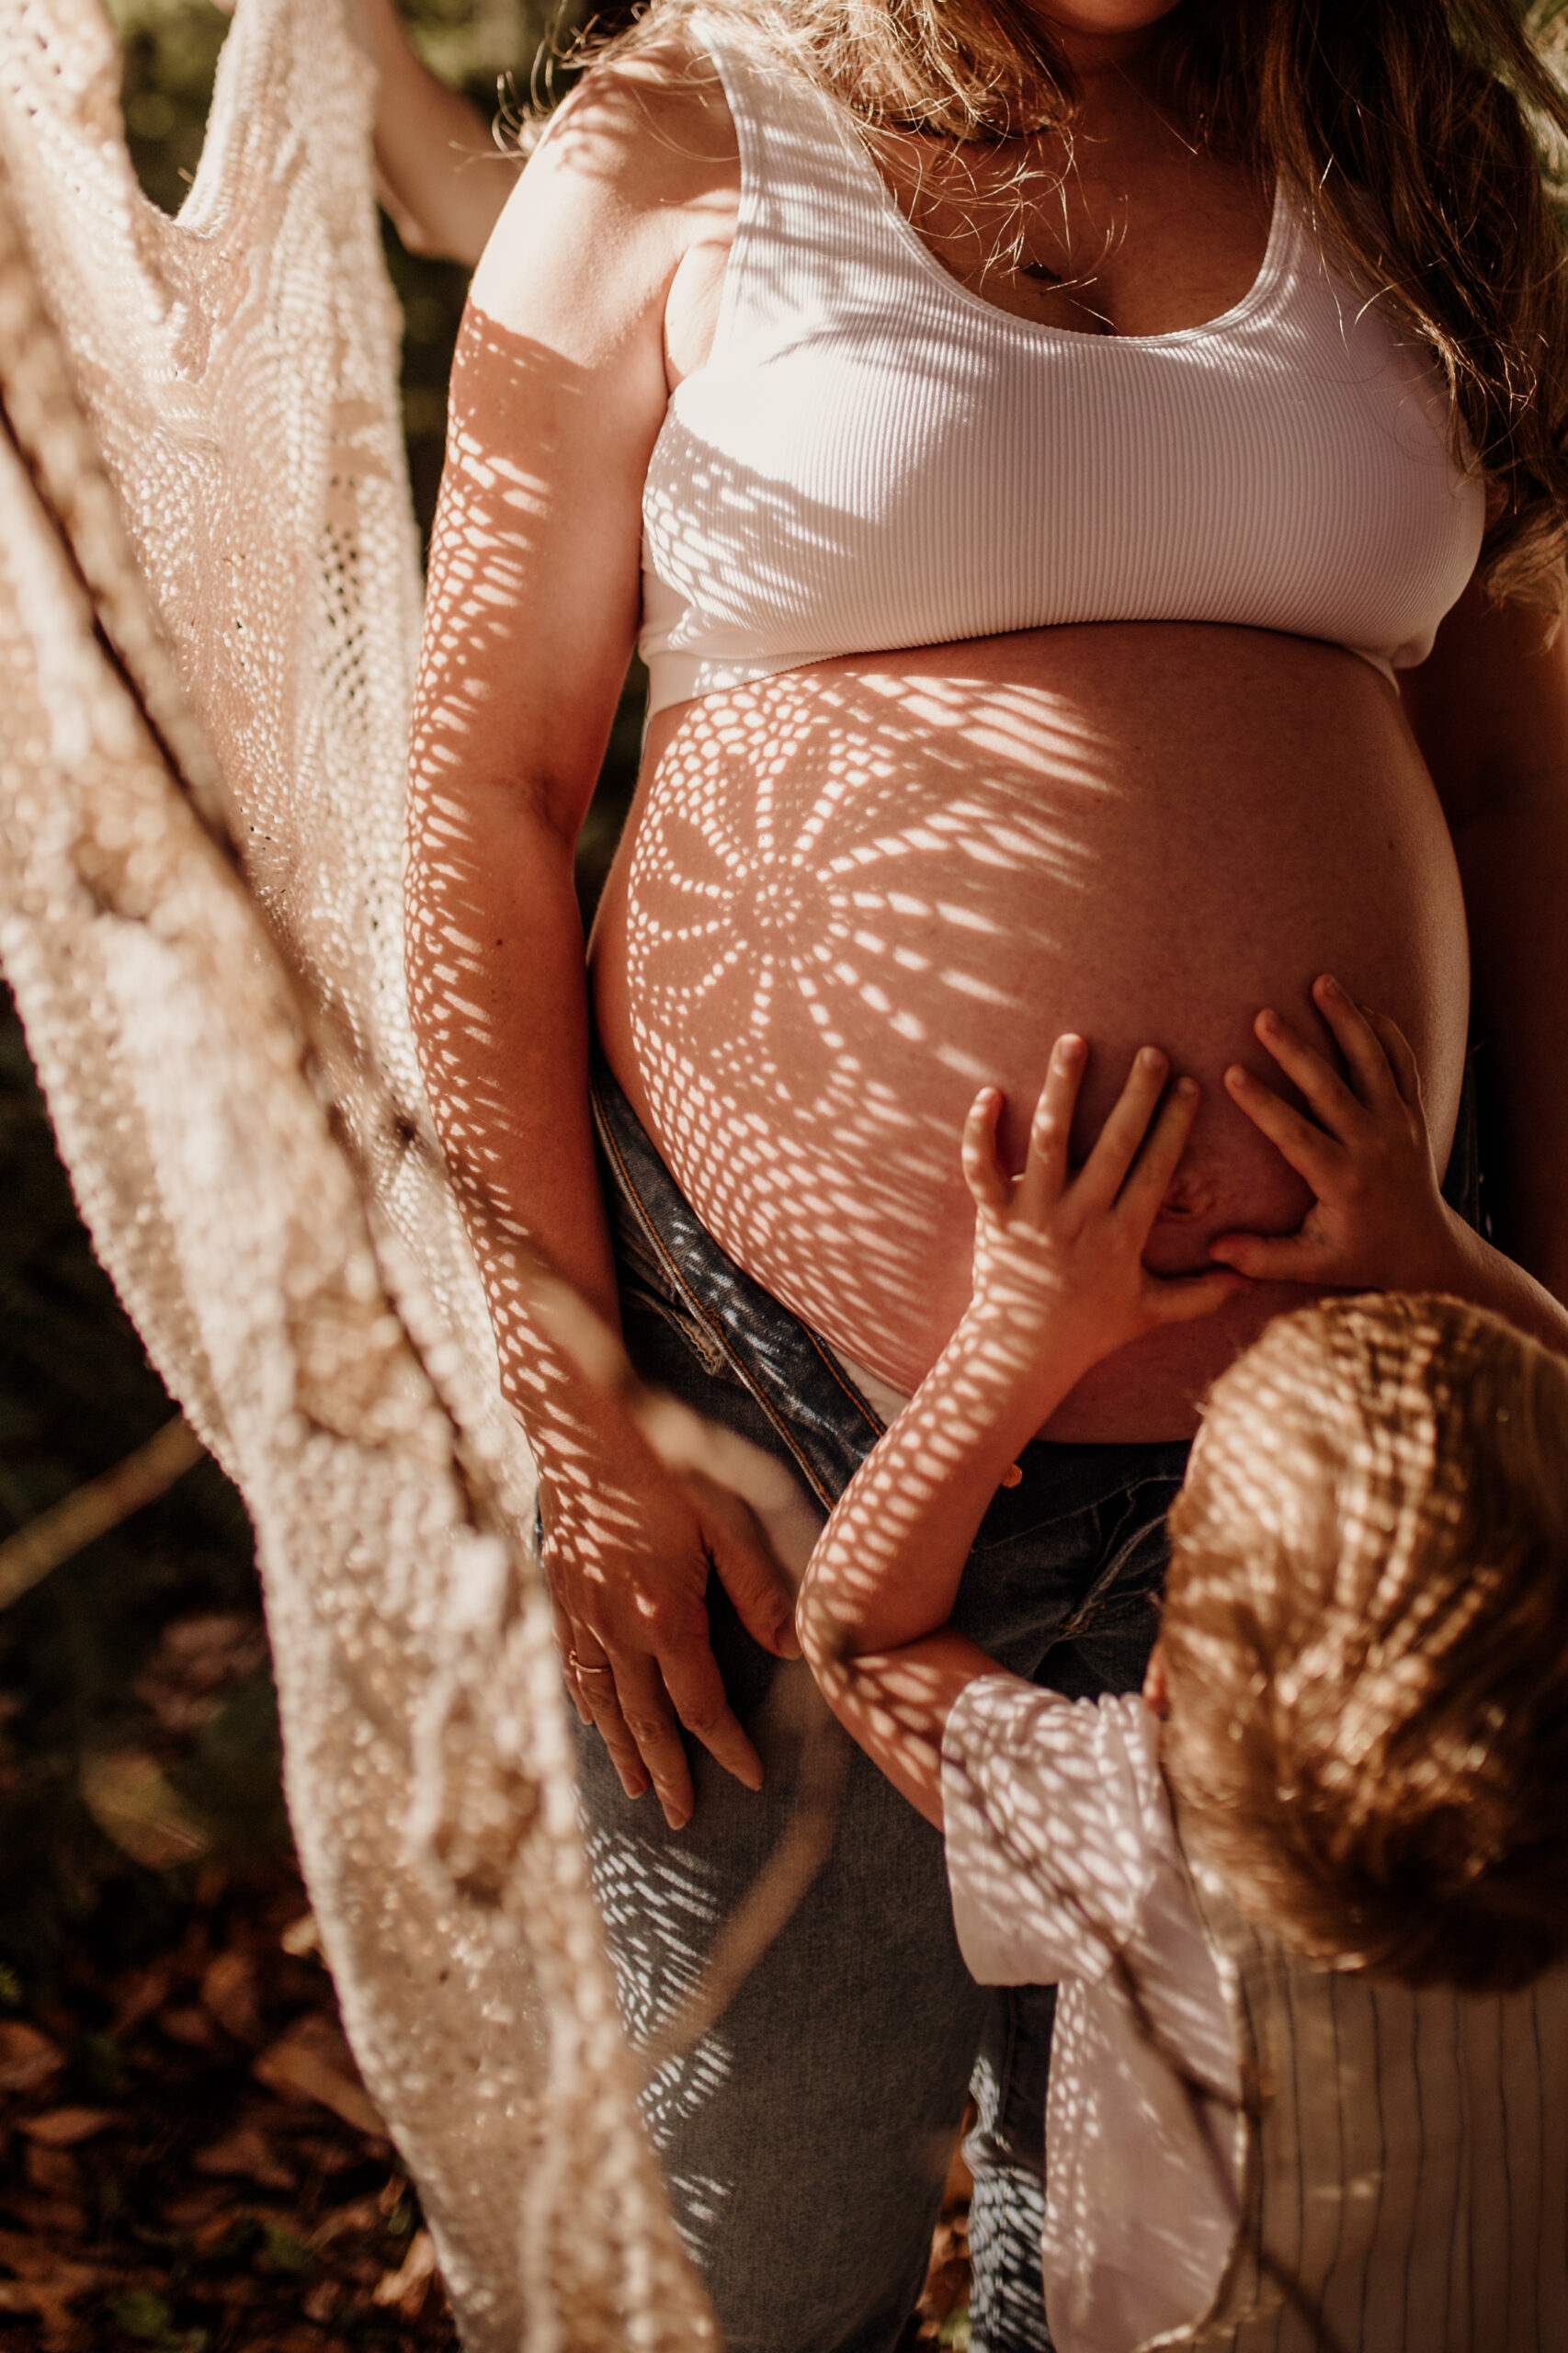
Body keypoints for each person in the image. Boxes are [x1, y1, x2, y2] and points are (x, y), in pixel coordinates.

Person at [400, 0, 1568, 2342]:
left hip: (1324, 1445)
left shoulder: (1419, 149)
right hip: (758, 1392)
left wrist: (1522, 1310)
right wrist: (573, 1401)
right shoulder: (679, 129)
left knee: (1214, 2239)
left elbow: (1518, 782)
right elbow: (480, 792)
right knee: (735, 2238)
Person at [796, 995, 1568, 2350]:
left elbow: (859, 1636)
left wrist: (1015, 1339)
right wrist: (1437, 1254)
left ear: (1164, 1688)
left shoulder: (1146, 1831)